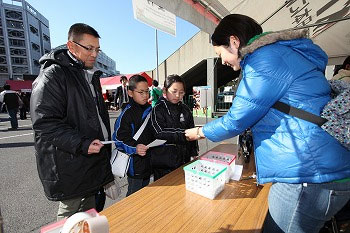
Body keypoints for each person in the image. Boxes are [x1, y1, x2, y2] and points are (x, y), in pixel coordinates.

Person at [184, 14, 350, 233]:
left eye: (220, 53)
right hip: (322, 169)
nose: (222, 61)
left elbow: (236, 120)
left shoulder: (264, 60)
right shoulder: (284, 53)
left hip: (308, 174)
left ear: (234, 42)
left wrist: (199, 131)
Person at [30, 23, 114, 220]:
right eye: (89, 48)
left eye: (97, 49)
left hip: (91, 156)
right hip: (70, 160)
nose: (95, 54)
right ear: (71, 46)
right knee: (70, 213)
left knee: (90, 213)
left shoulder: (89, 75)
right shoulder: (53, 75)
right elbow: (45, 123)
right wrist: (82, 143)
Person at [150, 74, 198, 181]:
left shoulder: (185, 109)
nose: (177, 96)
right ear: (165, 90)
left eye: (181, 93)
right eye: (174, 91)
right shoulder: (158, 109)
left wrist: (194, 152)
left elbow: (192, 130)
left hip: (184, 161)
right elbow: (159, 132)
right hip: (163, 164)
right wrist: (184, 134)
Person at [113, 75, 153, 196]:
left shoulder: (151, 109)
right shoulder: (127, 113)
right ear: (130, 93)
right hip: (135, 165)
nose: (145, 95)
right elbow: (118, 139)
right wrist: (135, 148)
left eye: (147, 91)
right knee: (133, 197)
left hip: (150, 162)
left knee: (146, 197)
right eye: (141, 92)